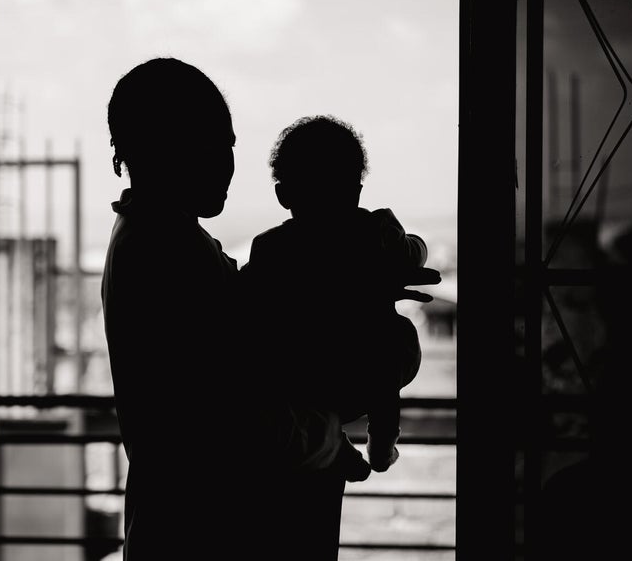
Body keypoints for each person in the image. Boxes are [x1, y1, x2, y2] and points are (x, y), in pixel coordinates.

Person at [101, 58, 367, 560]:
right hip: (211, 531)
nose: (228, 165)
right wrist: (329, 441)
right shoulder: (170, 255)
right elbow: (231, 421)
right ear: (172, 148)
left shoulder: (154, 239)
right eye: (218, 145)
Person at [241, 115, 439, 560]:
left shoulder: (269, 247)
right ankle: (381, 441)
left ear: (283, 194)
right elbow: (411, 251)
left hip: (301, 376)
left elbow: (248, 305)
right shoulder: (375, 231)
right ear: (357, 190)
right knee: (389, 340)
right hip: (362, 368)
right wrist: (412, 248)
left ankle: (337, 439)